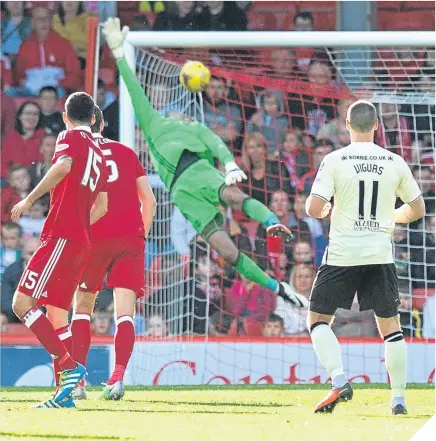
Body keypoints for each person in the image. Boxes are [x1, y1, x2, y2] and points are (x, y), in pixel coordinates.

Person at [103, 18, 307, 310]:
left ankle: (271, 222)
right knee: (228, 252)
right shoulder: (153, 122)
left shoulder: (196, 128)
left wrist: (229, 165)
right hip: (182, 193)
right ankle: (279, 287)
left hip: (200, 171)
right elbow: (134, 89)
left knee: (234, 195)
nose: (184, 116)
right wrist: (119, 53)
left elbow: (216, 143)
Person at [305, 100, 425, 415]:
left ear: (346, 124)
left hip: (343, 253)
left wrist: (328, 209)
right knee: (391, 327)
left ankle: (339, 379)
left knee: (317, 321)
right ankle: (398, 399)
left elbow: (313, 208)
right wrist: (392, 217)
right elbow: (418, 209)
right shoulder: (394, 160)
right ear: (376, 126)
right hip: (379, 253)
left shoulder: (334, 160)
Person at [10, 92, 109, 409]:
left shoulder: (69, 138)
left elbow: (63, 166)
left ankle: (68, 368)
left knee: (21, 302)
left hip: (61, 236)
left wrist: (28, 199)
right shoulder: (100, 151)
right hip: (80, 240)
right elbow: (103, 205)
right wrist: (80, 225)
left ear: (66, 117)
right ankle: (64, 396)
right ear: (93, 118)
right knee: (56, 314)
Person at [71, 106, 156, 401]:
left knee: (82, 307)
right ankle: (117, 377)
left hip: (94, 238)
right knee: (125, 315)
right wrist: (140, 235)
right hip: (130, 239)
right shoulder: (126, 153)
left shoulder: (78, 154)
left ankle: (78, 381)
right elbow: (150, 200)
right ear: (103, 124)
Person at [11, 5, 81, 97]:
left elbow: (75, 75)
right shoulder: (24, 46)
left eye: (46, 18)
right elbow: (18, 76)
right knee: (10, 93)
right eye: (39, 19)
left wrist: (58, 82)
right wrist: (24, 82)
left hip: (56, 90)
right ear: (32, 22)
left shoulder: (64, 44)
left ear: (51, 20)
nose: (44, 22)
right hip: (30, 91)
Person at [1, 101, 45, 178]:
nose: (31, 117)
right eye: (28, 113)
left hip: (37, 180)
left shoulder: (44, 136)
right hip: (13, 180)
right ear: (19, 116)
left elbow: (45, 163)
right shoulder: (11, 137)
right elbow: (3, 164)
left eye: (35, 114)